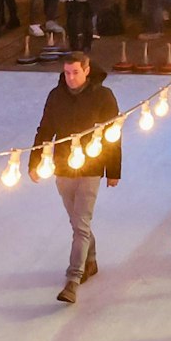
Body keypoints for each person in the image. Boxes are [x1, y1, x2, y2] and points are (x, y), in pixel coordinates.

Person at [32, 52, 122, 304]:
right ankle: (90, 261)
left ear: (87, 71)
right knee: (77, 221)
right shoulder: (56, 96)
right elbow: (45, 130)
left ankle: (73, 280)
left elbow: (113, 135)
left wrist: (113, 170)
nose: (70, 78)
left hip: (91, 167)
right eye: (67, 72)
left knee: (80, 222)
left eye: (75, 72)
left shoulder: (103, 97)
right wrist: (35, 161)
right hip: (63, 166)